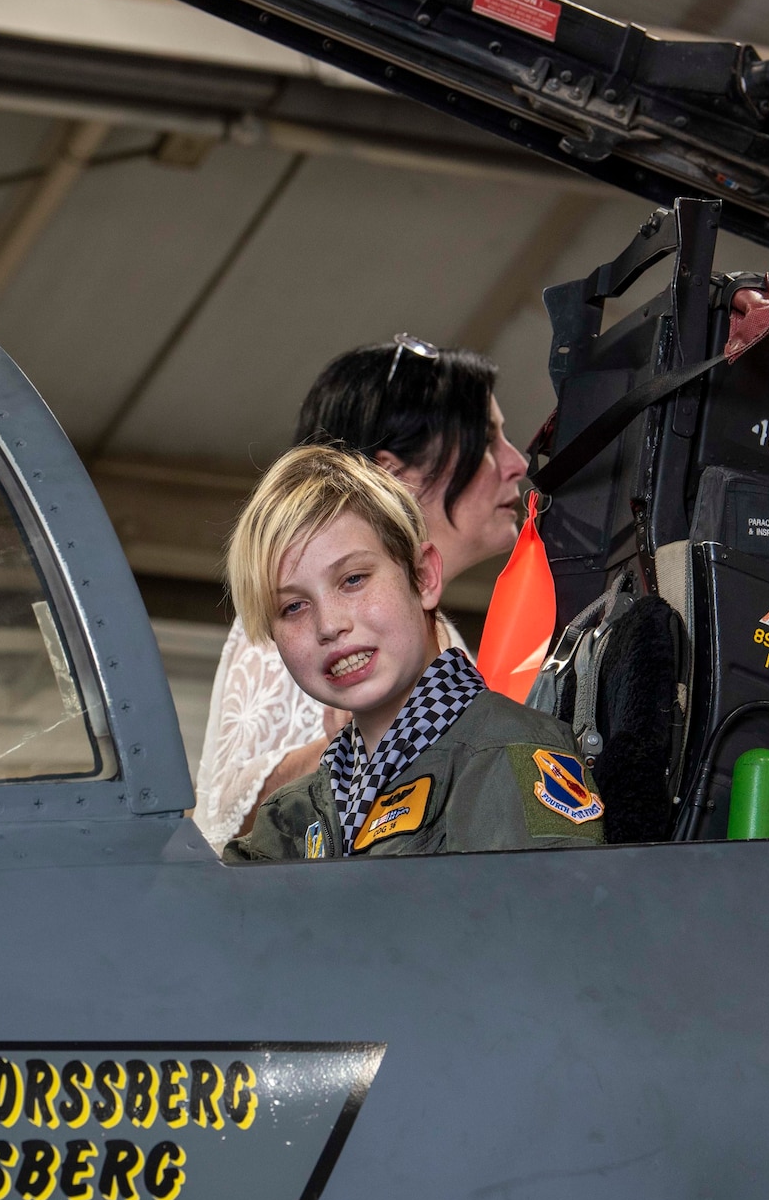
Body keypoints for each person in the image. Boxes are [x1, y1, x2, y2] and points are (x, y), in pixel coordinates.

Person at [193, 335, 530, 851]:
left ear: (425, 575)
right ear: (393, 476)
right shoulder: (296, 616)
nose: (517, 462)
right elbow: (222, 815)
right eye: (485, 441)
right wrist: (355, 745)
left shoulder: (474, 685)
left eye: (354, 580)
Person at [219, 446, 602, 861]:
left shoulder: (514, 761)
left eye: (353, 579)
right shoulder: (290, 817)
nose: (328, 625)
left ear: (423, 577)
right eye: (293, 606)